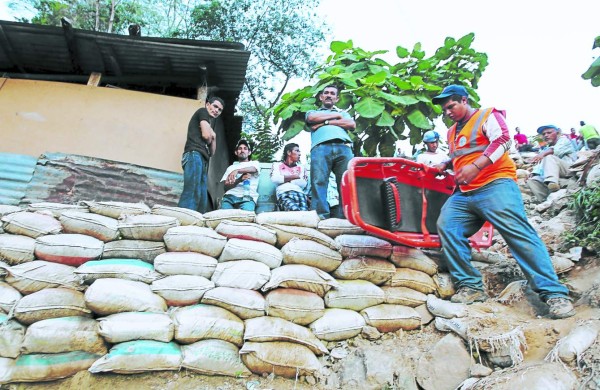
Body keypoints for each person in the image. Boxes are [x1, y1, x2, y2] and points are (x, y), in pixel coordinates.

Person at [431, 84, 574, 319]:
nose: (448, 112)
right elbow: (460, 154)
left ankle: (554, 294)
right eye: (445, 109)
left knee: (518, 235)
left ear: (464, 100)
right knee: (448, 227)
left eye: (451, 106)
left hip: (495, 184)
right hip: (465, 193)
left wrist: (476, 166)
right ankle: (471, 286)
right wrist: (445, 164)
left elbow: (504, 140)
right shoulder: (451, 132)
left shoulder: (487, 115)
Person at [305, 84, 356, 219]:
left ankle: (346, 217)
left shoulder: (343, 113)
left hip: (344, 148)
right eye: (326, 93)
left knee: (346, 183)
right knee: (319, 182)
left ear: (337, 99)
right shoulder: (312, 112)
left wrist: (324, 123)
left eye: (332, 94)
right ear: (321, 97)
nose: (329, 95)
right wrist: (337, 119)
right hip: (321, 148)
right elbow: (311, 120)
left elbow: (351, 125)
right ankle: (320, 216)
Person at [178, 96, 224, 213]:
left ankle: (196, 225)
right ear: (207, 104)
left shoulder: (209, 123)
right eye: (215, 106)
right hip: (194, 154)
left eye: (219, 110)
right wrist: (211, 136)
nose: (216, 111)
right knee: (193, 191)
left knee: (202, 197)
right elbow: (206, 136)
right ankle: (183, 220)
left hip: (203, 160)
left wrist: (214, 136)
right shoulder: (202, 111)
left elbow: (212, 152)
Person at [526, 125, 576, 202]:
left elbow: (555, 151)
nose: (546, 135)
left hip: (569, 169)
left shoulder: (563, 140)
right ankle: (544, 200)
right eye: (543, 134)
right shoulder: (546, 148)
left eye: (549, 132)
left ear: (557, 133)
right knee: (532, 180)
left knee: (549, 157)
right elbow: (540, 165)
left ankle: (552, 183)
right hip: (554, 172)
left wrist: (542, 154)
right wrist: (534, 173)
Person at [219, 139, 260, 211]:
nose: (242, 150)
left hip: (247, 197)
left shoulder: (254, 163)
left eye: (245, 149)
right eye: (240, 149)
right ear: (236, 152)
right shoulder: (231, 168)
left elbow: (253, 169)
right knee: (224, 218)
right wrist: (239, 180)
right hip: (229, 197)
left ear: (249, 152)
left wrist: (237, 171)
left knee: (246, 217)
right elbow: (225, 187)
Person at [270, 143, 309, 211]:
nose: (299, 154)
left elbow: (303, 183)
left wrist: (284, 179)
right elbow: (275, 179)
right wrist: (294, 177)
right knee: (294, 211)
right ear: (289, 152)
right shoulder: (277, 165)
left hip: (300, 194)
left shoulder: (302, 167)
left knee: (304, 215)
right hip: (284, 193)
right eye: (297, 151)